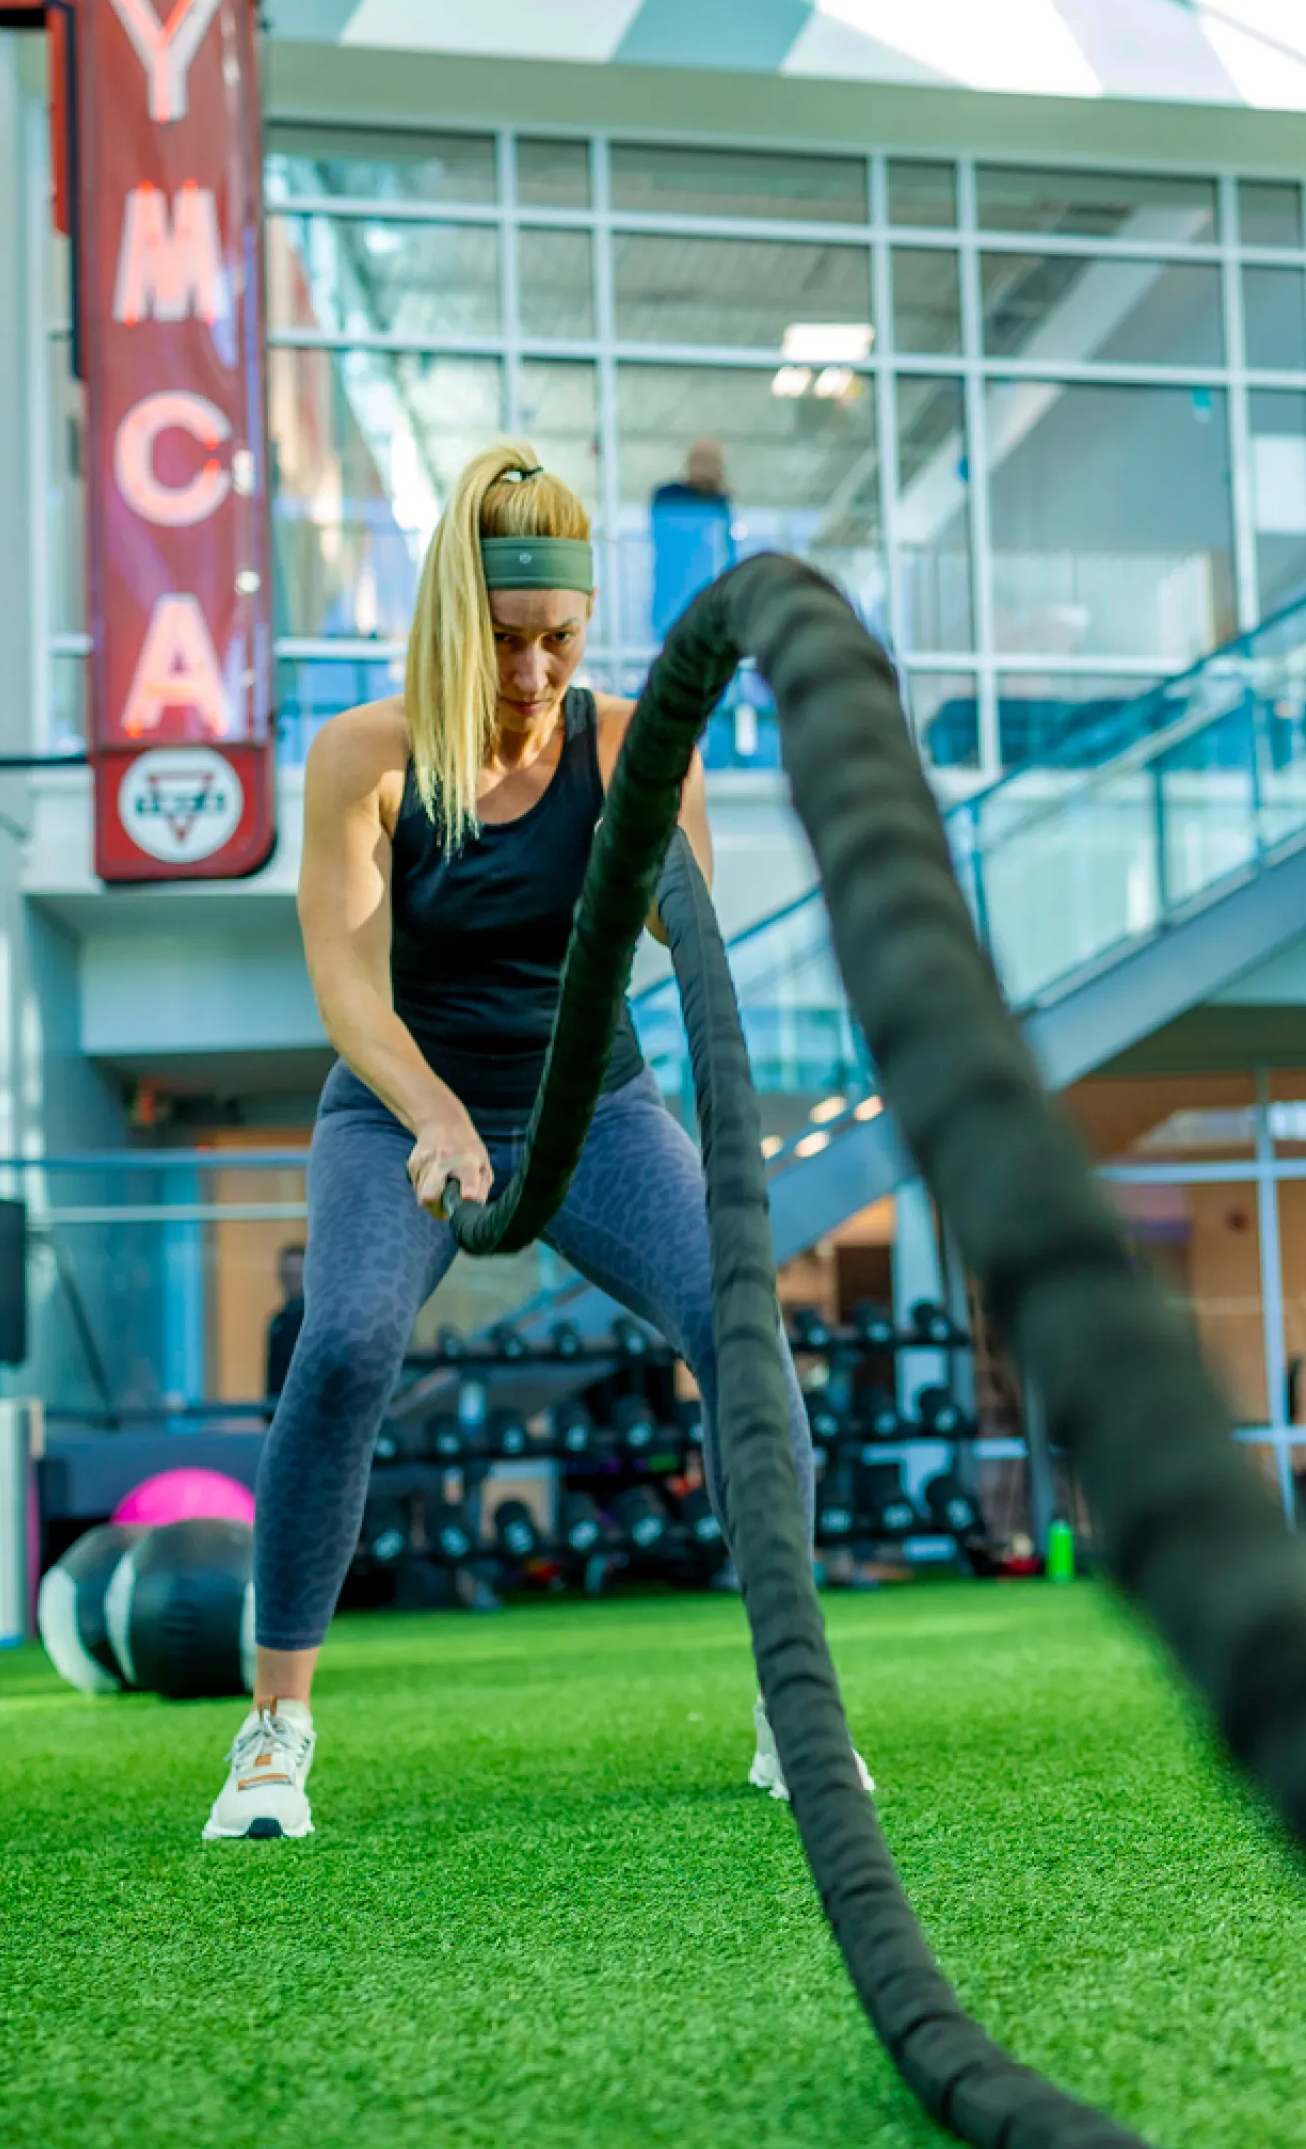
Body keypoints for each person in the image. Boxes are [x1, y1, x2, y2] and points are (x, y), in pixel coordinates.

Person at [209, 438, 853, 1841]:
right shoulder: (364, 758)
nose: (537, 671)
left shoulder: (630, 745)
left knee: (740, 1326)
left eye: (563, 639)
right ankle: (274, 1726)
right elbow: (344, 984)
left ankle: (793, 1702)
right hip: (399, 1101)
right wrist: (435, 1111)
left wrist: (661, 866)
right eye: (511, 640)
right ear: (456, 617)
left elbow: (672, 926)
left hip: (595, 1101)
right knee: (348, 1342)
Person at [648, 437, 736, 642]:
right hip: (674, 592)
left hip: (705, 591)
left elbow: (727, 551)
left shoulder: (719, 502)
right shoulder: (668, 495)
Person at [262, 1242, 305, 1404]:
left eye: (297, 1274)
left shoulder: (315, 1323)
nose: (291, 1280)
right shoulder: (277, 1321)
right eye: (287, 1273)